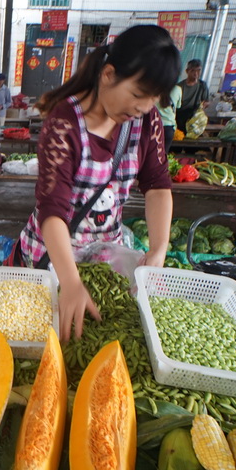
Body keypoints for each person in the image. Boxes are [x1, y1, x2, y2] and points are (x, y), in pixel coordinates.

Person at [18, 25, 180, 340]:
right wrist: (71, 282)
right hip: (54, 258)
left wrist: (159, 248)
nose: (144, 107)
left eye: (154, 99)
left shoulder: (146, 121)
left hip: (106, 260)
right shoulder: (63, 124)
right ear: (108, 75)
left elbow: (158, 185)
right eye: (138, 94)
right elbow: (52, 210)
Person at [174, 59, 210, 133]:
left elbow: (206, 102)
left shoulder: (202, 85)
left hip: (194, 118)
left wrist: (201, 109)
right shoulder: (179, 87)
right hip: (180, 116)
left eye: (198, 70)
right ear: (187, 71)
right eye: (193, 70)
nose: (196, 73)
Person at [157, 83, 183, 151]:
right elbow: (178, 106)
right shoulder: (177, 89)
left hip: (154, 126)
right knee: (164, 154)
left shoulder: (154, 88)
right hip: (169, 127)